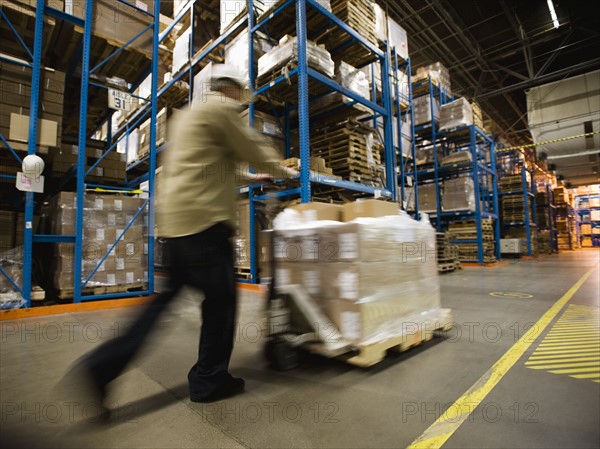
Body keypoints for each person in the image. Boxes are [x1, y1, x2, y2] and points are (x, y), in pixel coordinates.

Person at [58, 64, 297, 410]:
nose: (240, 101)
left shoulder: (188, 118)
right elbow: (253, 145)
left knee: (160, 306)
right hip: (205, 229)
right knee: (222, 304)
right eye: (239, 94)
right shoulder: (221, 111)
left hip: (175, 230)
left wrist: (256, 179)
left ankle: (100, 367)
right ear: (230, 89)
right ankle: (209, 379)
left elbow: (220, 171)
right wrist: (284, 170)